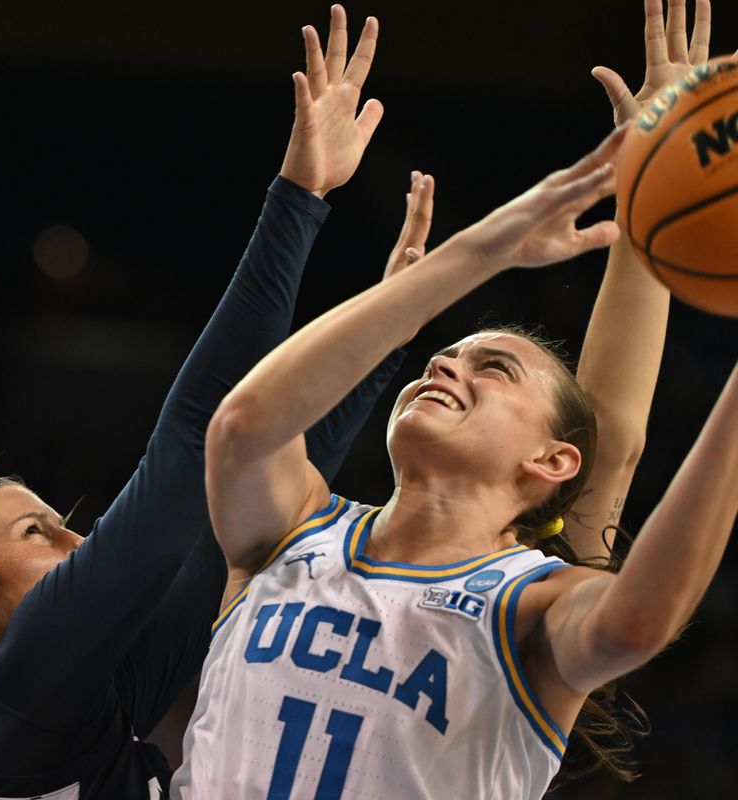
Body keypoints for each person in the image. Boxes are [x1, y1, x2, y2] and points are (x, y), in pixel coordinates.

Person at [0, 8, 421, 798]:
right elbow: (199, 438)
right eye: (39, 530)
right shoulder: (6, 697)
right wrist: (298, 196)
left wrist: (388, 333)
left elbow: (266, 503)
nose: (77, 533)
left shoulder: (73, 699)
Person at [172, 12, 735, 800]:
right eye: (444, 353)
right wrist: (477, 253)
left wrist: (654, 181)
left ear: (552, 460)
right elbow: (241, 424)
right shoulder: (296, 526)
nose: (443, 361)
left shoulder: (532, 605)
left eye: (493, 366)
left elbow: (637, 603)